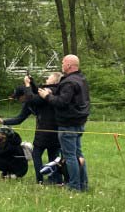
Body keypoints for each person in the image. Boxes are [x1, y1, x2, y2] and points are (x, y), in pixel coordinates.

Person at [0, 72, 63, 184]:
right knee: (53, 156)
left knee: (38, 155)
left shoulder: (50, 92)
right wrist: (3, 121)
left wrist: (27, 84)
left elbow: (33, 97)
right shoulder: (36, 98)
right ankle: (55, 180)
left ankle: (42, 180)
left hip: (48, 130)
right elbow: (20, 118)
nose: (19, 100)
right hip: (48, 130)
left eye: (19, 98)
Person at [37, 55, 89, 192]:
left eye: (63, 63)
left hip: (68, 123)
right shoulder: (82, 79)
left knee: (69, 156)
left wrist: (47, 96)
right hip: (80, 122)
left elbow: (61, 102)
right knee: (78, 154)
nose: (61, 65)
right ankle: (83, 184)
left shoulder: (68, 82)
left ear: (69, 65)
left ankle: (74, 186)